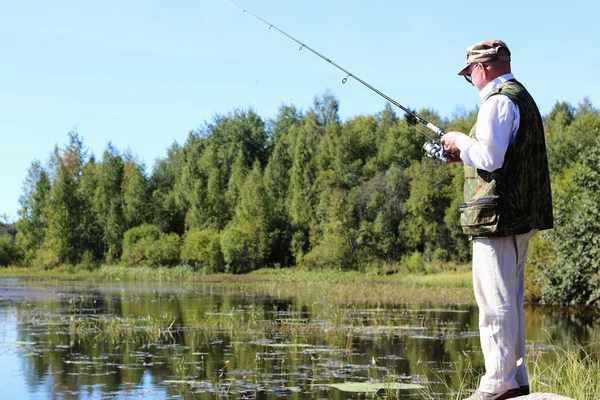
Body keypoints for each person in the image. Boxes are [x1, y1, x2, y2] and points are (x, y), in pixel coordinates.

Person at [440, 39, 554, 400]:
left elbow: (490, 156)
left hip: (498, 219)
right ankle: (516, 379)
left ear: (483, 67)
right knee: (510, 298)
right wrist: (466, 153)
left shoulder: (497, 100)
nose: (469, 79)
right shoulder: (522, 96)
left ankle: (498, 381)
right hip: (520, 216)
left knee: (494, 301)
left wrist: (459, 140)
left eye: (469, 72)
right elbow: (505, 156)